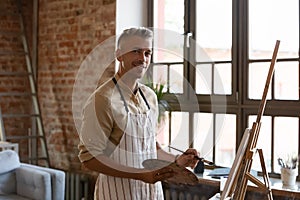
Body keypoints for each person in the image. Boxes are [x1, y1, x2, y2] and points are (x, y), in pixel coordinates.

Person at [78, 27, 199, 200]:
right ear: (119, 55)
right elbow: (89, 159)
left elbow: (151, 148)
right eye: (135, 51)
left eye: (147, 53)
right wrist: (140, 175)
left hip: (151, 194)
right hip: (117, 194)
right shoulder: (102, 99)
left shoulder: (149, 97)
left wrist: (178, 160)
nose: (142, 59)